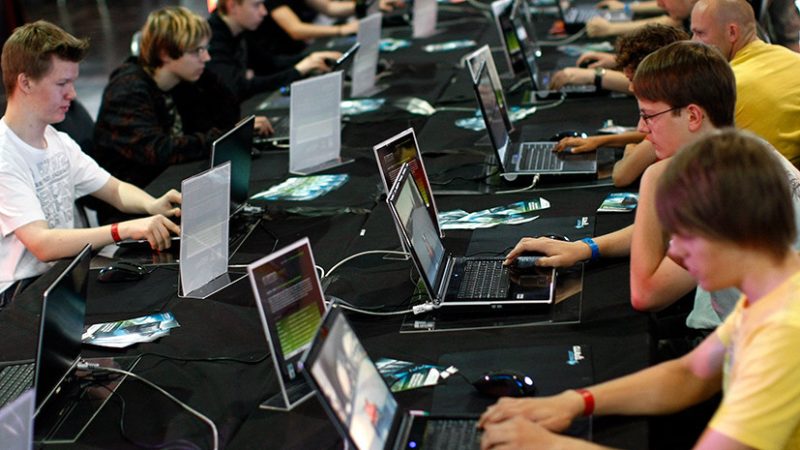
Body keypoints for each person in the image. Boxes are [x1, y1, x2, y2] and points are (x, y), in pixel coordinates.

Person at [480, 129, 800, 450]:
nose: (675, 253)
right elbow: (690, 374)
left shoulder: (784, 334)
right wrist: (574, 401)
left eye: (687, 236)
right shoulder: (771, 289)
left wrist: (550, 446)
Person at [506, 41, 800, 328]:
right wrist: (587, 247)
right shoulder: (744, 149)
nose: (641, 128)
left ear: (693, 116)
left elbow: (646, 294)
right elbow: (669, 229)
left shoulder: (726, 194)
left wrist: (652, 179)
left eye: (649, 116)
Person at [0, 21, 181, 305]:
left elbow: (114, 190)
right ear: (25, 82)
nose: (72, 94)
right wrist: (122, 230)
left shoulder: (57, 140)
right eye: (62, 84)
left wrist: (152, 204)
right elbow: (42, 244)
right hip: (20, 294)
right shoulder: (5, 155)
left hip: (62, 274)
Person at [93, 6, 241, 192]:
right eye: (197, 51)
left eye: (206, 48)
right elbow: (157, 150)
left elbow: (228, 115)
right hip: (137, 193)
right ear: (165, 54)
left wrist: (207, 78)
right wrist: (221, 138)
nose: (206, 57)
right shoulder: (127, 90)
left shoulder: (181, 80)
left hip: (166, 178)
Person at [551, 24, 689, 187]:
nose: (630, 87)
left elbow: (621, 176)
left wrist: (629, 152)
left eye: (632, 79)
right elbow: (645, 135)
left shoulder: (672, 111)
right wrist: (600, 141)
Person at [690, 0, 800, 166]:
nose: (693, 42)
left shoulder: (724, 85)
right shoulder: (794, 59)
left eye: (700, 33)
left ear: (732, 32)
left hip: (759, 177)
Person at [206, 0, 339, 103]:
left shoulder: (239, 31)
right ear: (233, 6)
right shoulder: (213, 39)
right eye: (256, 5)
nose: (264, 12)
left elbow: (269, 63)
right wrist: (298, 70)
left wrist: (310, 59)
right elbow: (240, 88)